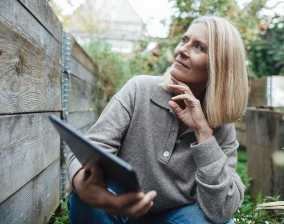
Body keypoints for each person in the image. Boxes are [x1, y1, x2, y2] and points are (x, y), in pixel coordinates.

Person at [67, 15, 248, 224]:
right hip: (123, 206)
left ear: (220, 67)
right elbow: (89, 150)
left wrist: (203, 132)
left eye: (199, 47)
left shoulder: (221, 124)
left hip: (177, 216)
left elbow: (222, 209)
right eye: (184, 40)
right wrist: (87, 188)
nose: (181, 50)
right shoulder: (139, 89)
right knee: (85, 201)